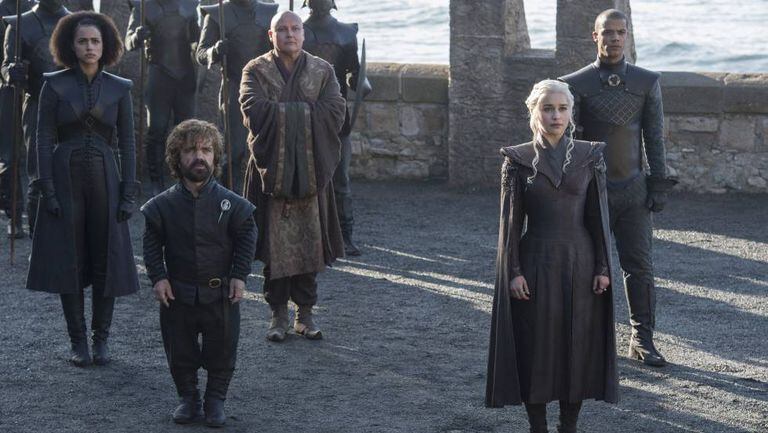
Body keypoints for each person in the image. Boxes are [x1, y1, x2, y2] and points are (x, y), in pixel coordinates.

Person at [485, 80, 618, 433]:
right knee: (537, 348)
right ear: (534, 112)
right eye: (547, 108)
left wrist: (603, 267)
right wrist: (513, 271)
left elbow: (598, 217)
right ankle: (538, 427)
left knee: (577, 345)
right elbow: (511, 223)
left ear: (571, 112)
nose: (555, 115)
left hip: (581, 263)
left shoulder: (590, 156)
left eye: (562, 108)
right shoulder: (517, 159)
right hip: (535, 264)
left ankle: (568, 426)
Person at [559, 9, 677, 367]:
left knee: (639, 267)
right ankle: (584, 342)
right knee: (586, 266)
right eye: (607, 32)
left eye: (620, 32)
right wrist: (566, 189)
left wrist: (658, 183)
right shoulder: (575, 84)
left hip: (633, 190)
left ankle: (642, 340)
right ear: (594, 36)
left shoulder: (646, 82)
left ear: (627, 36)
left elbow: (653, 137)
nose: (614, 38)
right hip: (591, 190)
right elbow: (566, 144)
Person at [25, 11, 140, 367]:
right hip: (64, 176)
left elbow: (127, 143)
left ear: (105, 45)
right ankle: (78, 341)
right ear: (70, 46)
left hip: (106, 176)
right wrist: (46, 187)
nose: (89, 47)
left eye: (95, 41)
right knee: (68, 258)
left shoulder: (120, 88)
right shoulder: (53, 85)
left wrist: (128, 191)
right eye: (82, 41)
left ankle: (100, 339)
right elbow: (43, 138)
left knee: (106, 256)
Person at [141, 119, 256, 427]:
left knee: (222, 349)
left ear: (215, 156)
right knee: (180, 350)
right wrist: (158, 277)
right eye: (190, 150)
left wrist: (239, 275)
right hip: (178, 294)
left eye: (206, 150)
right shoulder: (162, 205)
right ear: (177, 157)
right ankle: (188, 398)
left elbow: (247, 234)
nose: (199, 157)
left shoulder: (232, 204)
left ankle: (215, 399)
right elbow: (151, 241)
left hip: (221, 293)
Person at [240, 11, 346, 342]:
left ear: (303, 33)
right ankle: (278, 314)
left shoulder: (322, 70)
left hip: (310, 171)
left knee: (309, 242)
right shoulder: (255, 70)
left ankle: (305, 313)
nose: (290, 34)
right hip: (272, 170)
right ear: (270, 36)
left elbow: (336, 110)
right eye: (282, 29)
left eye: (295, 28)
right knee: (275, 246)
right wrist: (304, 111)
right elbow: (251, 107)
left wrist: (286, 111)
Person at [302, 0, 370, 256]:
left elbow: (353, 71)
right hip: (303, 114)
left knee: (341, 179)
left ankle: (344, 235)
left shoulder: (346, 33)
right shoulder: (297, 32)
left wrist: (361, 82)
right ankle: (312, 235)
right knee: (307, 178)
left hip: (337, 115)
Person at [2, 0, 70, 237]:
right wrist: (10, 72)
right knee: (34, 171)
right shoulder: (19, 24)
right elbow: (6, 64)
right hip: (32, 101)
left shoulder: (76, 21)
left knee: (71, 172)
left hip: (70, 104)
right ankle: (28, 227)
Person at [196, 0, 278, 195]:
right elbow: (201, 53)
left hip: (266, 88)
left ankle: (261, 198)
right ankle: (229, 198)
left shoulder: (269, 11)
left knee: (266, 148)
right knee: (234, 151)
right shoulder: (217, 14)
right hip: (234, 88)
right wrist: (215, 51)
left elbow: (280, 47)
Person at [125, 0, 200, 197]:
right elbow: (128, 42)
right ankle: (155, 181)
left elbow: (196, 40)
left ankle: (184, 178)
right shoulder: (143, 6)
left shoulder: (189, 4)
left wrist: (202, 45)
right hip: (159, 74)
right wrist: (136, 37)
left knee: (187, 131)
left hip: (185, 74)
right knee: (157, 129)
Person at [0, 0, 32, 238]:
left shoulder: (37, 8)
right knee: (9, 157)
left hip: (38, 90)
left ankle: (43, 213)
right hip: (7, 91)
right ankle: (14, 215)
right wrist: (8, 71)